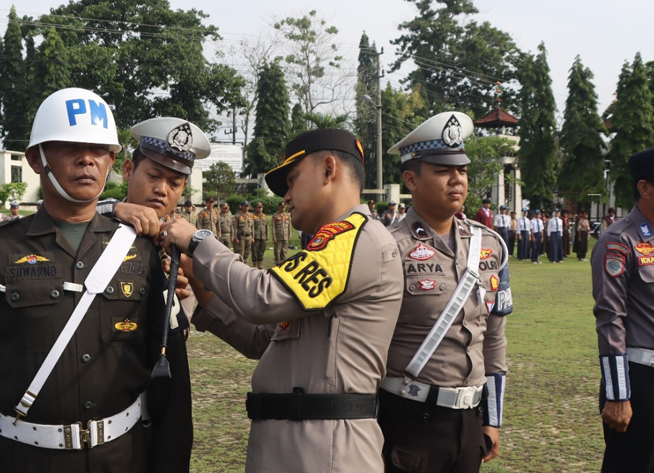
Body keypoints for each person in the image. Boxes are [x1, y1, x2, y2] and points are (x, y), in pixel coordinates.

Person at [0, 88, 193, 473]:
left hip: (124, 459)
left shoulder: (144, 249)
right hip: (27, 460)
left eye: (98, 149)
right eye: (69, 147)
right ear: (36, 159)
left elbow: (172, 374)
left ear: (111, 160)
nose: (86, 159)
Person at [159, 127, 404, 473]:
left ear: (329, 169)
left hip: (325, 447)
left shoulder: (355, 238)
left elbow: (262, 297)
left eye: (292, 180)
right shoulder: (329, 245)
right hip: (300, 441)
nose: (285, 196)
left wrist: (199, 241)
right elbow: (263, 338)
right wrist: (201, 282)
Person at [382, 111, 511, 472]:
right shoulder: (389, 248)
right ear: (411, 179)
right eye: (442, 170)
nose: (457, 179)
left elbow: (494, 337)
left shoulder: (491, 245)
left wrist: (493, 418)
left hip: (469, 421)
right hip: (408, 420)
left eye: (462, 170)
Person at [591, 144, 654, 473]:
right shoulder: (620, 241)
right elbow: (611, 320)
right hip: (645, 382)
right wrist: (618, 394)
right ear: (645, 188)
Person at [250, 202, 269, 269]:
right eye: (259, 207)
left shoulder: (264, 216)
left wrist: (267, 236)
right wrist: (252, 236)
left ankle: (260, 263)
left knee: (262, 250)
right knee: (255, 250)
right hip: (255, 236)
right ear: (255, 208)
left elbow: (267, 226)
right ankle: (255, 263)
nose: (260, 209)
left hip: (263, 236)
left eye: (261, 207)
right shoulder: (252, 216)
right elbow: (251, 227)